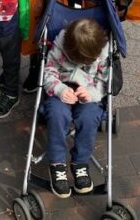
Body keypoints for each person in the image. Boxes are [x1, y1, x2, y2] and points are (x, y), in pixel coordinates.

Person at [43, 18, 109, 198]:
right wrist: (59, 89)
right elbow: (48, 72)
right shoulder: (60, 46)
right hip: (61, 90)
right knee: (57, 114)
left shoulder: (102, 51)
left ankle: (80, 162)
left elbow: (105, 81)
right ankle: (57, 163)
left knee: (89, 117)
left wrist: (91, 93)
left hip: (88, 92)